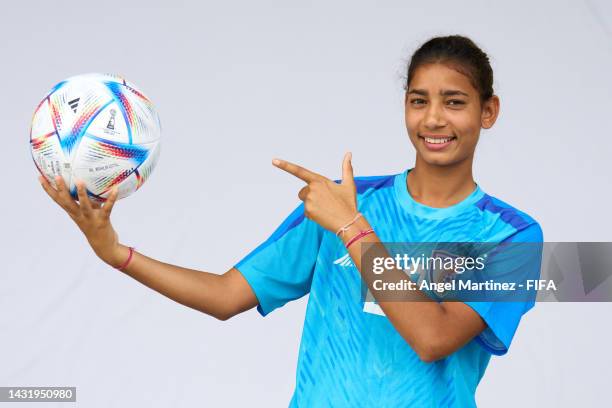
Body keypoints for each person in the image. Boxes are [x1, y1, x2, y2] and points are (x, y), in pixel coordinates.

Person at [38, 34, 543, 407]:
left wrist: (353, 230)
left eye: (454, 102)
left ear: (488, 111)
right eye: (418, 101)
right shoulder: (344, 202)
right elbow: (225, 295)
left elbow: (432, 338)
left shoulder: (514, 237)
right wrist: (116, 254)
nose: (433, 119)